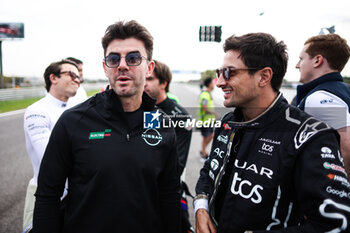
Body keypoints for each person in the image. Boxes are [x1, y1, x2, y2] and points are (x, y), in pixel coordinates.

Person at [33, 20, 180, 233]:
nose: (122, 65)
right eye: (113, 59)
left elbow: (169, 196)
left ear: (149, 68)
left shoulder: (162, 124)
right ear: (105, 67)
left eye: (133, 58)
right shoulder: (73, 121)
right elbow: (48, 194)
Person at [194, 32, 350, 232]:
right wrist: (201, 207)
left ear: (264, 76)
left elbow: (335, 226)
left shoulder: (310, 136)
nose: (219, 82)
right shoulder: (228, 122)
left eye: (229, 73)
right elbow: (209, 171)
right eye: (219, 72)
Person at [22, 59, 80, 232]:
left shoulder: (77, 110)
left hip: (77, 195)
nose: (77, 79)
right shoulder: (37, 110)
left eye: (79, 76)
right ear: (53, 78)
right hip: (48, 196)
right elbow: (50, 156)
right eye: (72, 74)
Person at [144, 59, 193, 232]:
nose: (144, 83)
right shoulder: (136, 109)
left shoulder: (179, 116)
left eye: (149, 79)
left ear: (163, 83)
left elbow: (176, 165)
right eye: (143, 78)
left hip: (165, 194)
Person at [295, 34, 350, 176]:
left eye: (301, 59)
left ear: (317, 60)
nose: (297, 65)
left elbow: (346, 147)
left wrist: (339, 190)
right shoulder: (341, 90)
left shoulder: (320, 98)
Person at [198, 77, 216, 159]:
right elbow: (205, 108)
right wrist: (215, 114)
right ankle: (203, 153)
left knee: (207, 137)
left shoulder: (208, 93)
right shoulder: (205, 94)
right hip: (205, 120)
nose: (214, 84)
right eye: (213, 82)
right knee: (209, 136)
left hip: (209, 120)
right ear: (209, 84)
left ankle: (203, 151)